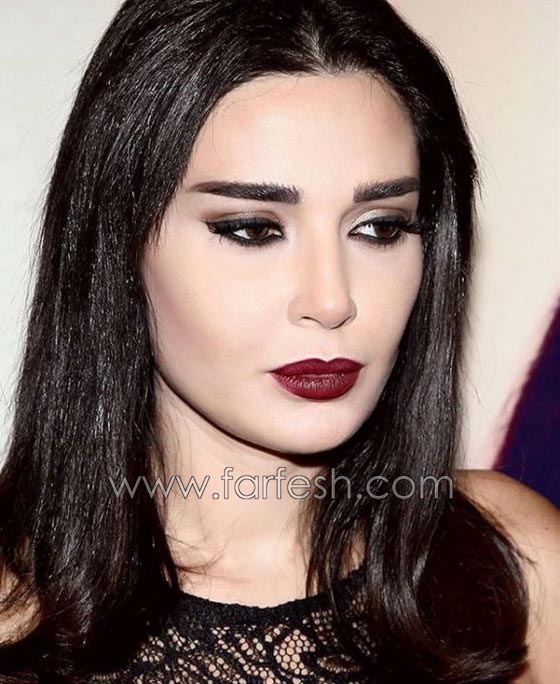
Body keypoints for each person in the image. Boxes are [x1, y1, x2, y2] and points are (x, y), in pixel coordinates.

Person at [0, 0, 558, 682]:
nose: (331, 300)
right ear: (114, 245)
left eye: (379, 227)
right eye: (253, 230)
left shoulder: (518, 570)